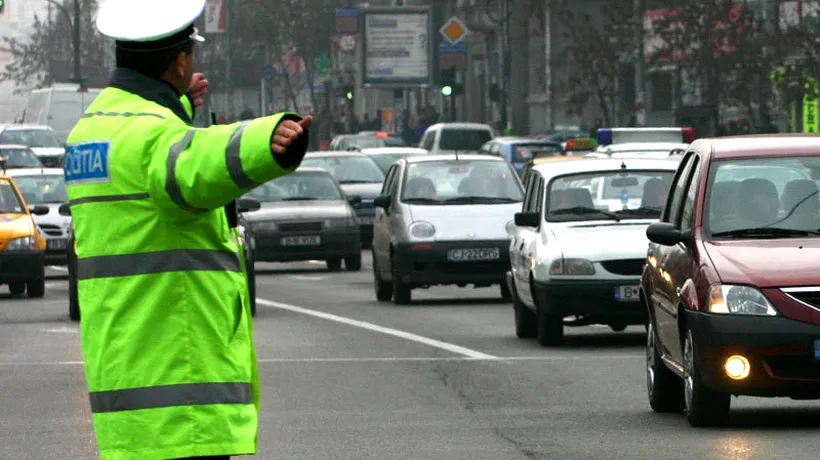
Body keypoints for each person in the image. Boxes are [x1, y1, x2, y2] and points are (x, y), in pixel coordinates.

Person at [63, 1, 313, 459]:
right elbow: (194, 164)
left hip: (126, 382)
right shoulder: (155, 137)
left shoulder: (90, 129)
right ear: (181, 60)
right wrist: (271, 139)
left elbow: (152, 159)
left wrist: (174, 103)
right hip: (179, 399)